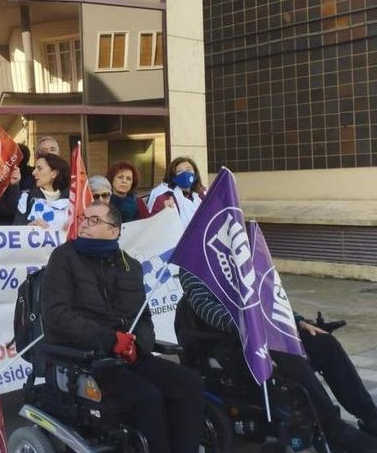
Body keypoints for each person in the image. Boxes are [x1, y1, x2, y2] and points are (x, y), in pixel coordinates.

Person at [41, 202, 203, 453]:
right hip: (87, 358)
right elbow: (57, 316)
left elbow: (144, 318)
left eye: (94, 221)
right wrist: (110, 340)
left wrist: (138, 345)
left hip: (128, 356)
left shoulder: (130, 266)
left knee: (188, 382)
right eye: (84, 218)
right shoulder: (63, 258)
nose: (84, 223)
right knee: (147, 396)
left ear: (114, 230)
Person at [177, 269, 377, 451]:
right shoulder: (193, 265)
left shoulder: (238, 254)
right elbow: (207, 310)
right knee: (287, 355)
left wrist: (297, 320)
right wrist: (253, 326)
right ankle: (332, 427)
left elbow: (269, 295)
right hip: (231, 341)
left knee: (324, 343)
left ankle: (370, 416)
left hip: (267, 330)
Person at [14, 154, 72, 231]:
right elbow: (14, 231)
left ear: (54, 173)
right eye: (35, 168)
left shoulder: (72, 199)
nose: (33, 172)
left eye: (39, 168)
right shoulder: (27, 198)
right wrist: (28, 227)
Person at [147, 157, 206, 226]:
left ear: (195, 174)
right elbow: (154, 225)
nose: (185, 173)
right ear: (173, 176)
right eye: (179, 171)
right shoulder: (165, 198)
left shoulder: (202, 196)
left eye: (188, 170)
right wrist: (164, 213)